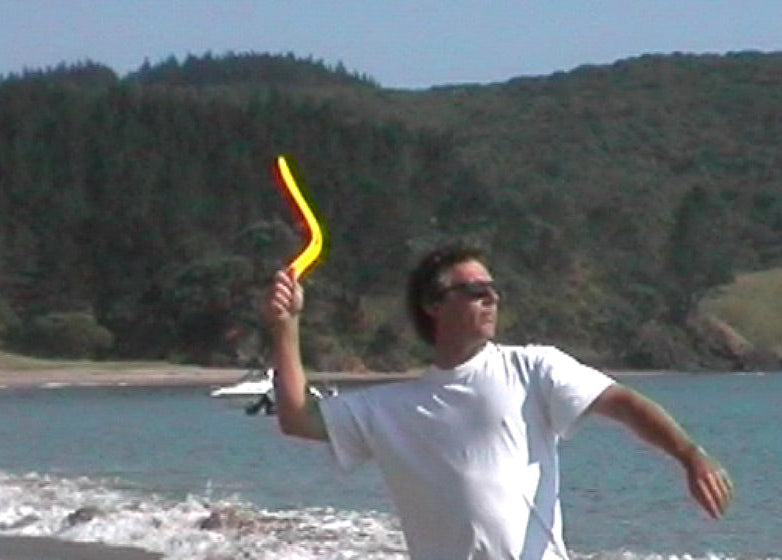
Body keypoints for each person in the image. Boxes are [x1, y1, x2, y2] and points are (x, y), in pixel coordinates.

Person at [263, 244, 733, 560]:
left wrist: (689, 454)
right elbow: (296, 417)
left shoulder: (534, 368)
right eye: (474, 290)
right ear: (434, 304)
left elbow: (624, 404)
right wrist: (287, 326)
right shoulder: (390, 408)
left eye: (493, 289)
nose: (491, 297)